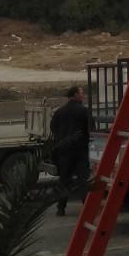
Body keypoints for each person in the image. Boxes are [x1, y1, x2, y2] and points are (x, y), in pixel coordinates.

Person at [50, 84, 93, 216]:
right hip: (80, 150)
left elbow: (53, 128)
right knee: (83, 180)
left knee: (64, 179)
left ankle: (60, 208)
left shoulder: (59, 111)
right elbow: (91, 128)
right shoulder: (84, 111)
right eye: (81, 93)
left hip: (64, 151)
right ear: (75, 95)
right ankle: (87, 208)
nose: (83, 95)